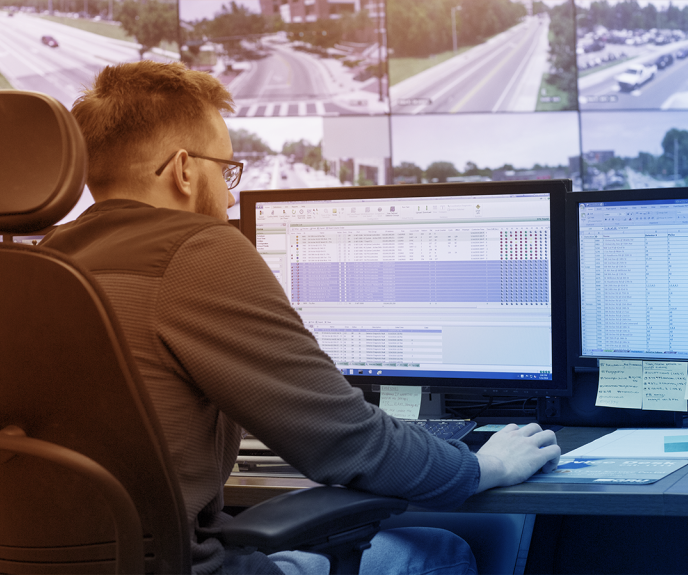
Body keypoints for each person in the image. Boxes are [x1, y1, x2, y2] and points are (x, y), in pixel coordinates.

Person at [40, 61, 561, 575]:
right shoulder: (197, 249)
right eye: (226, 171)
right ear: (183, 170)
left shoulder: (46, 262)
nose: (228, 194)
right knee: (440, 550)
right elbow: (346, 443)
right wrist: (482, 466)